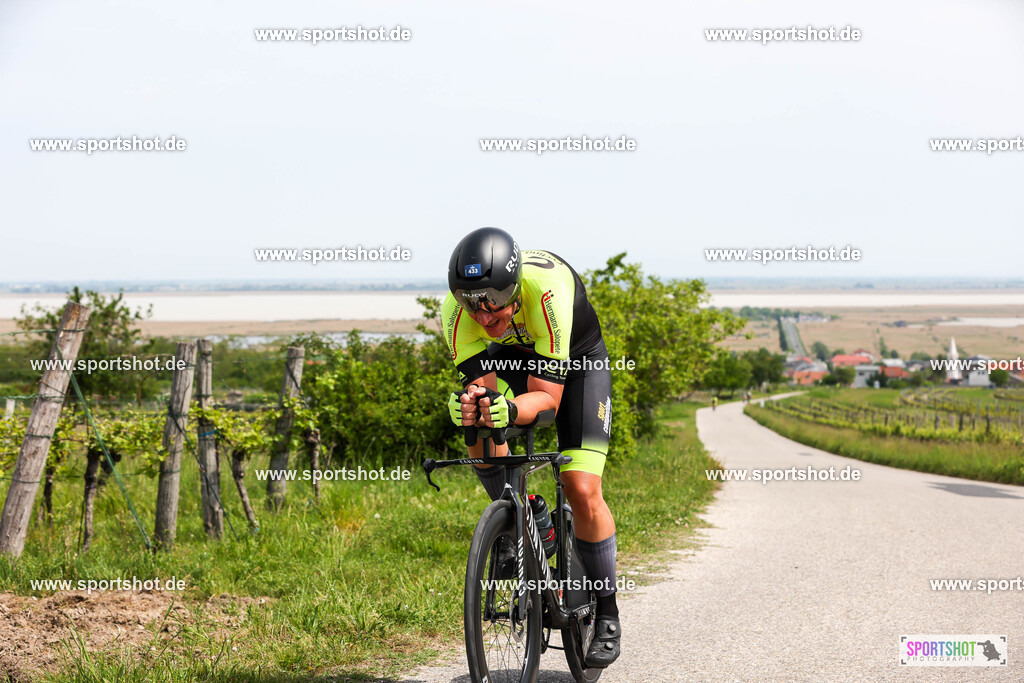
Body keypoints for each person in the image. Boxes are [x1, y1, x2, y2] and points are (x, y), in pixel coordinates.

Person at [443, 227, 621, 668]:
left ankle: (608, 612)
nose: (483, 317)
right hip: (516, 362)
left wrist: (509, 407)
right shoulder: (455, 311)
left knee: (581, 486)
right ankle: (526, 517)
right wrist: (477, 406)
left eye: (493, 304)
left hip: (576, 364)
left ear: (513, 288)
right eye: (472, 304)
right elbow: (485, 393)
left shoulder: (547, 293)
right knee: (482, 423)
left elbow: (547, 400)